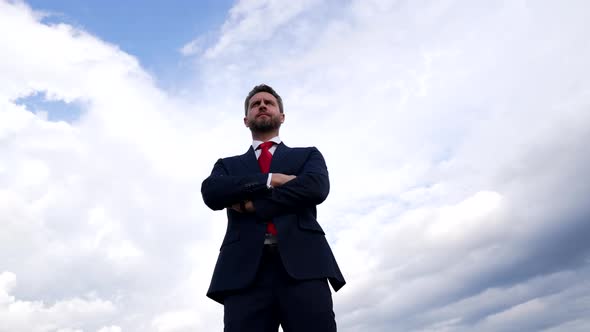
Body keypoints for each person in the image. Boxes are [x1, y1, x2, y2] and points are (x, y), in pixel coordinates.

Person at [201, 84, 346, 332]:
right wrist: (271, 179)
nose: (262, 106)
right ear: (246, 120)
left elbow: (315, 188)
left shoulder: (307, 155)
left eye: (269, 102)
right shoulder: (227, 165)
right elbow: (212, 192)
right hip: (244, 274)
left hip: (305, 266)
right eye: (255, 104)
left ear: (282, 116)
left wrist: (252, 204)